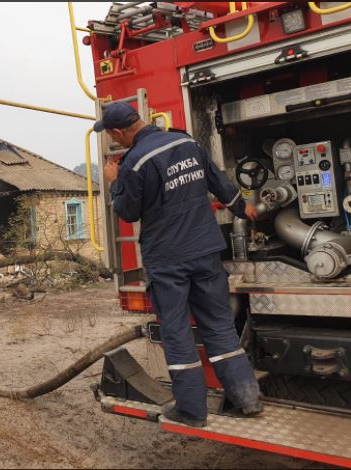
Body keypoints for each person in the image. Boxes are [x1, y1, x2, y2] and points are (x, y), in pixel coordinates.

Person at [95, 101, 262, 428]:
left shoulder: (134, 162)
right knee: (219, 325)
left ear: (118, 132)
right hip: (205, 252)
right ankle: (248, 398)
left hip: (168, 260)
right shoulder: (188, 143)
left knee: (177, 331)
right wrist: (245, 211)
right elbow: (223, 187)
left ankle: (191, 410)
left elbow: (128, 212)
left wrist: (115, 182)